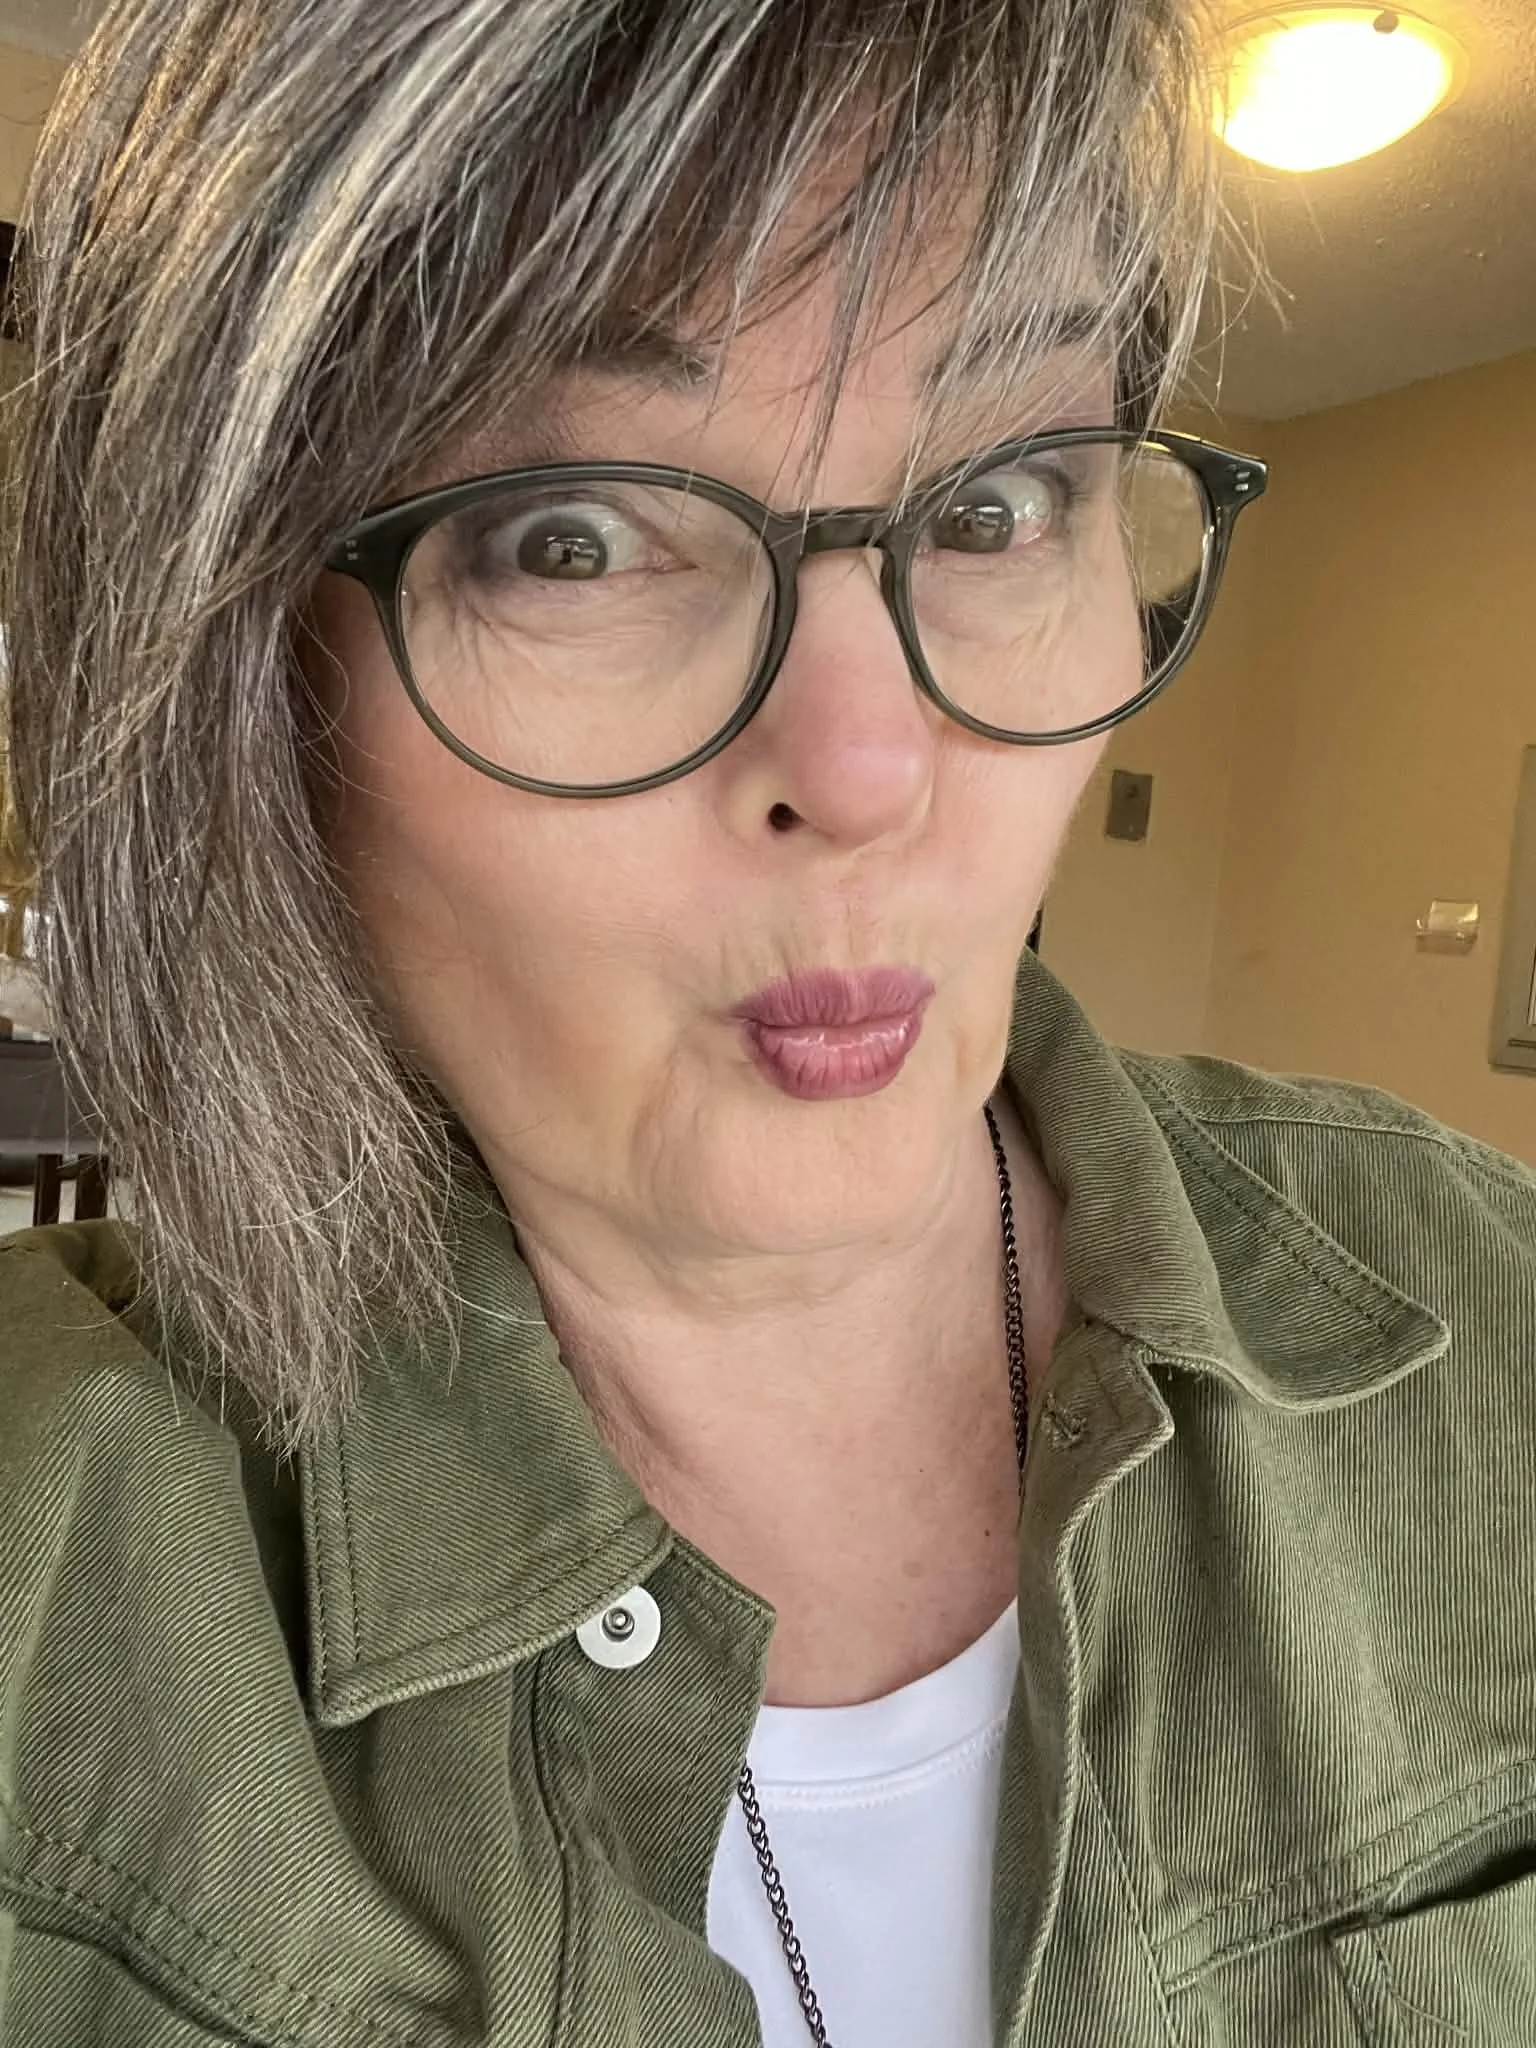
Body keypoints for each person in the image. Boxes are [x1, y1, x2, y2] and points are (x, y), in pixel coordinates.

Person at [2, 1, 1533, 2042]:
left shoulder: (1487, 1313)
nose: (873, 764)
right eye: (575, 535)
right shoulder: (56, 1577)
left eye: (996, 503)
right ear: (254, 693)